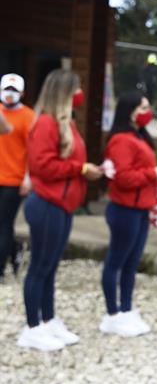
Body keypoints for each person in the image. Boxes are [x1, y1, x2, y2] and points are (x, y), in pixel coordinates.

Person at [19, 69, 104, 351]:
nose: (80, 94)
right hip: (47, 204)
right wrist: (80, 169)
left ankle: (48, 319)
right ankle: (32, 327)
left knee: (50, 267)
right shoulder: (45, 123)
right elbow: (42, 165)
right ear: (65, 92)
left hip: (61, 205)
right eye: (76, 89)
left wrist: (86, 170)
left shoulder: (65, 123)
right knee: (40, 267)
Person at [100, 92, 157, 337]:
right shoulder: (121, 140)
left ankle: (126, 309)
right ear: (129, 109)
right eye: (143, 107)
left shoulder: (139, 136)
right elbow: (124, 177)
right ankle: (112, 314)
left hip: (140, 209)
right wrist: (154, 173)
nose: (147, 111)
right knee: (116, 262)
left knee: (130, 264)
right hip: (125, 210)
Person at [0, 73, 35, 281]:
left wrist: (28, 178)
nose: (10, 94)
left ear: (22, 92)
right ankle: (15, 251)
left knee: (4, 223)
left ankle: (1, 269)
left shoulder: (28, 117)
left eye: (14, 90)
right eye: (6, 89)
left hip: (15, 179)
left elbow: (33, 150)